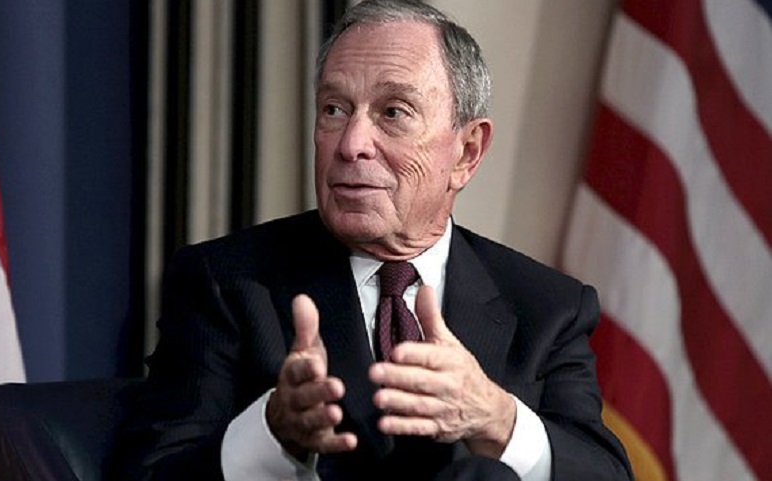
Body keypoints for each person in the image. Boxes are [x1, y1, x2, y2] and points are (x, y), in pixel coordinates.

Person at [115, 1, 633, 480]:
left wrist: (496, 419)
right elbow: (149, 474)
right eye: (334, 110)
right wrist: (272, 434)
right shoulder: (226, 283)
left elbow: (604, 474)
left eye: (393, 113)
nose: (351, 144)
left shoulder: (547, 307)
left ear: (466, 152)